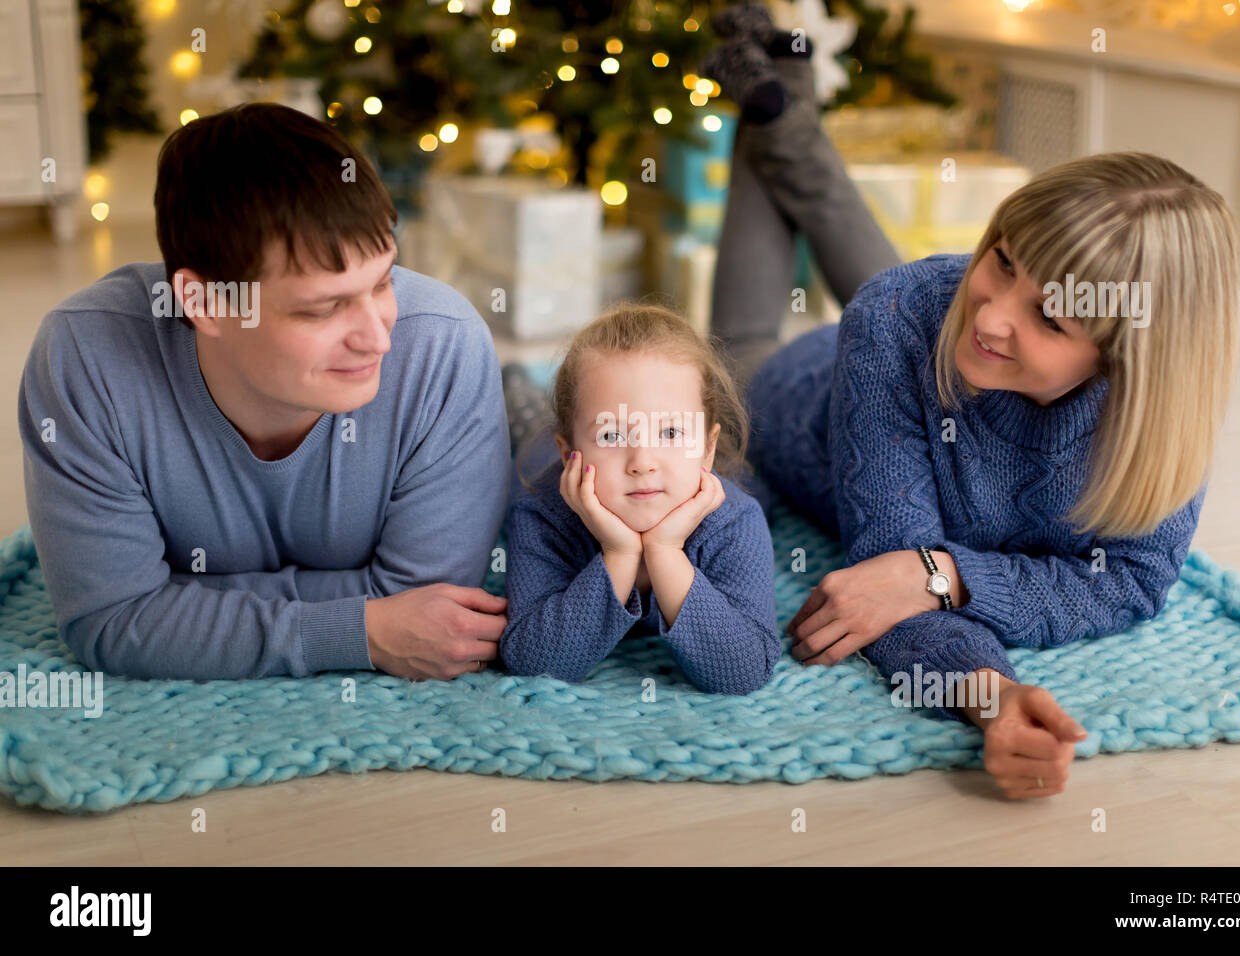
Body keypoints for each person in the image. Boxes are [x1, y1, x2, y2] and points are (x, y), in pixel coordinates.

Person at [704, 6, 1240, 798]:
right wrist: (984, 691)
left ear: (1127, 361)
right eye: (1003, 258)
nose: (994, 313)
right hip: (798, 397)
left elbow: (1128, 582)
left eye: (1052, 315)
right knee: (750, 343)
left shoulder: (1155, 413)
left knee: (919, 305)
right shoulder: (910, 315)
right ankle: (780, 108)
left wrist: (946, 575)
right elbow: (887, 560)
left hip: (936, 361)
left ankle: (780, 100)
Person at [18, 103, 512, 682]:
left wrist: (181, 601)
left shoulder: (444, 347)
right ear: (202, 303)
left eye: (381, 282)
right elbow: (111, 619)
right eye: (321, 309)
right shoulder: (83, 357)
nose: (378, 337)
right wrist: (364, 627)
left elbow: (434, 608)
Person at [501, 304, 781, 693]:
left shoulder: (736, 521)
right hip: (537, 456)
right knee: (524, 422)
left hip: (722, 480)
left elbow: (746, 669)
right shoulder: (540, 515)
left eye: (669, 433)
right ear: (570, 455)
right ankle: (515, 383)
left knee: (759, 488)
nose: (642, 463)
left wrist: (666, 552)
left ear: (707, 447)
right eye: (612, 435)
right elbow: (534, 659)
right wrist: (619, 555)